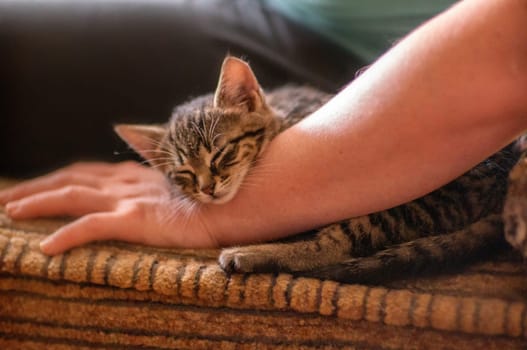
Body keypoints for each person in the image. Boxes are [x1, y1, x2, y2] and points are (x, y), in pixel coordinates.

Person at [1, 0, 526, 256]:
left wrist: (257, 202)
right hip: (275, 20)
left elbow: (513, 51)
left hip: (423, 65)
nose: (204, 187)